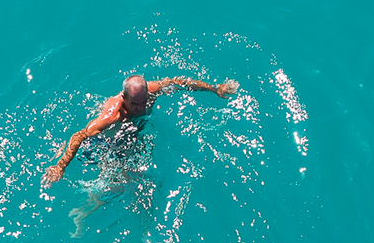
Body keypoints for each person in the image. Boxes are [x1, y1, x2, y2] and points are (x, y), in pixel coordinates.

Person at [42, 73, 238, 186]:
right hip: (109, 141)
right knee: (113, 183)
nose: (141, 107)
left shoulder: (150, 91)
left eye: (144, 101)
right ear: (124, 97)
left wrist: (214, 88)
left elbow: (180, 83)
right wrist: (61, 167)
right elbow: (80, 135)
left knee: (140, 181)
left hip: (133, 133)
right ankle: (84, 214)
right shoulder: (112, 115)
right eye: (135, 104)